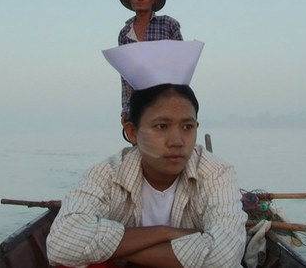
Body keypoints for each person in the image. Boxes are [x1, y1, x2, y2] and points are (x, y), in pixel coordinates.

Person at [47, 41, 247, 267]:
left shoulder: (217, 173)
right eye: (162, 126)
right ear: (132, 132)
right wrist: (164, 232)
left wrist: (116, 249)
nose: (177, 141)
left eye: (187, 127)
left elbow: (224, 259)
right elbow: (60, 244)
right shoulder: (107, 173)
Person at [117, 0, 183, 124]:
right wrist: (126, 108)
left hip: (166, 95)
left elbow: (181, 62)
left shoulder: (168, 24)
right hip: (139, 98)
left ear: (153, 0)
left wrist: (180, 99)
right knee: (143, 141)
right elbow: (125, 76)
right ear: (131, 0)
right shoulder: (125, 33)